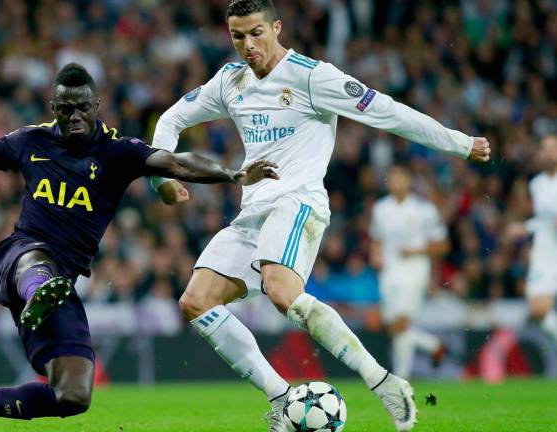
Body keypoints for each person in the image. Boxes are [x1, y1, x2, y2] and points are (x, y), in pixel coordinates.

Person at [0, 63, 279, 422]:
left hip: (62, 282)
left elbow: (175, 162)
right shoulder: (31, 140)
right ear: (53, 108)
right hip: (18, 258)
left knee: (72, 396)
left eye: (83, 107)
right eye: (65, 109)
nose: (75, 116)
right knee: (36, 262)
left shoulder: (118, 152)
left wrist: (233, 174)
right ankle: (38, 290)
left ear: (97, 105)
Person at [150, 1, 491, 430]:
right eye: (238, 36)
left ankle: (383, 381)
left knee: (280, 289)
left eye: (256, 33)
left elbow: (387, 112)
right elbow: (171, 119)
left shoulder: (312, 77)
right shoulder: (230, 81)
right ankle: (281, 398)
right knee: (196, 302)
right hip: (253, 211)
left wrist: (459, 143)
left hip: (298, 201)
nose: (248, 45)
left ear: (277, 27)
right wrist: (159, 179)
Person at [369, 165, 448, 379]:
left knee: (402, 323)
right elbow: (376, 238)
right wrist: (375, 255)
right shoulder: (380, 208)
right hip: (389, 270)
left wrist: (416, 250)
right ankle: (434, 345)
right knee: (392, 326)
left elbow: (442, 245)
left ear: (408, 181)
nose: (396, 183)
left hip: (415, 269)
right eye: (393, 179)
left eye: (400, 178)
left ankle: (401, 378)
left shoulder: (424, 209)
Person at [507, 135, 557, 347]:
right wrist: (525, 227)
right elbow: (544, 220)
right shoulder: (537, 184)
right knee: (538, 308)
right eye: (544, 149)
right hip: (546, 251)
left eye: (552, 149)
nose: (548, 153)